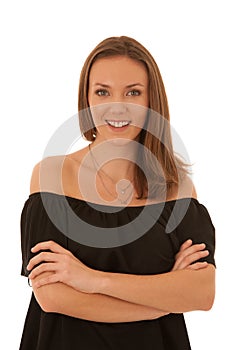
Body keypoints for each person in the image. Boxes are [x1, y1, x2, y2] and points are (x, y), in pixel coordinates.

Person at [19, 36, 216, 349]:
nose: (117, 106)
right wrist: (165, 300)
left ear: (152, 101)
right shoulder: (52, 175)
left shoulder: (177, 186)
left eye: (133, 92)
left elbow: (202, 294)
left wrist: (93, 280)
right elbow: (52, 296)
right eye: (102, 91)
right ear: (87, 100)